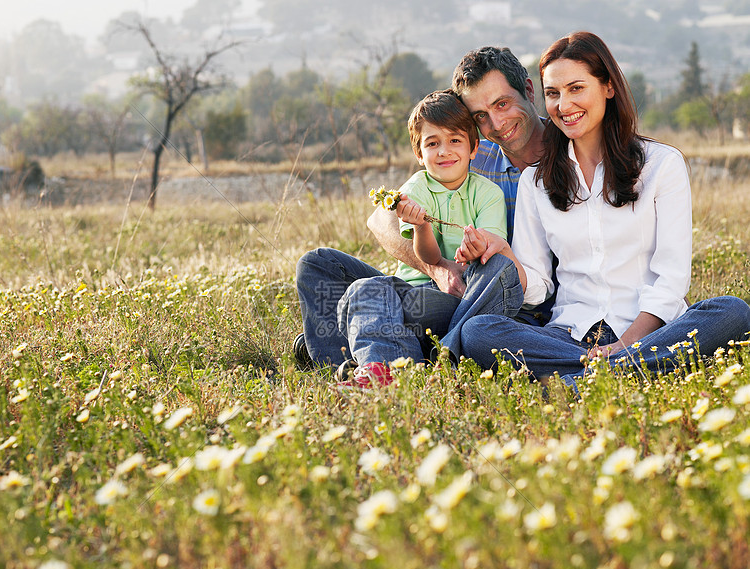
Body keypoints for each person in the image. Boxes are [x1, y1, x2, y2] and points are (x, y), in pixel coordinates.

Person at [455, 31, 750, 391]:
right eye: (553, 94)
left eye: (576, 88)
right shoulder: (537, 180)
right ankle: (621, 374)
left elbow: (670, 279)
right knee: (477, 332)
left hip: (647, 332)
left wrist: (623, 346)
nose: (563, 105)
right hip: (568, 336)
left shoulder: (662, 165)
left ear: (608, 87)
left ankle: (585, 380)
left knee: (732, 312)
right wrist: (503, 252)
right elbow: (538, 285)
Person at [294, 46, 548, 376]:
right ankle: (347, 365)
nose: (496, 124)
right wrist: (437, 267)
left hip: (484, 300)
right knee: (319, 264)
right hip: (428, 288)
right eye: (480, 116)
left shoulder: (571, 161)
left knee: (384, 301)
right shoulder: (466, 150)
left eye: (502, 104)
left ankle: (413, 351)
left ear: (529, 91)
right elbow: (382, 219)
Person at [334, 89, 507, 387]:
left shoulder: (488, 194)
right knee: (358, 285)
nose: (444, 151)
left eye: (455, 140)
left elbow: (492, 254)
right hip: (413, 287)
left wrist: (476, 249)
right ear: (419, 153)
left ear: (473, 147)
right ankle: (381, 368)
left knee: (371, 298)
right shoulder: (415, 190)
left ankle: (383, 368)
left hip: (456, 300)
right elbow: (427, 259)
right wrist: (421, 227)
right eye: (432, 143)